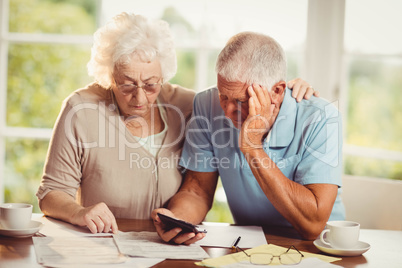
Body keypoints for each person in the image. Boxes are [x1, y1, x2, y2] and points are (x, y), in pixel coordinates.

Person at [36, 13, 316, 234]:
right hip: (103, 243)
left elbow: (243, 93)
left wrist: (286, 93)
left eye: (150, 84)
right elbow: (51, 193)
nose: (139, 97)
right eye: (126, 85)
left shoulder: (186, 105)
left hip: (163, 245)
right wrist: (78, 212)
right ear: (109, 76)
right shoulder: (81, 110)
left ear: (163, 75)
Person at [152, 31, 344, 243]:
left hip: (319, 246)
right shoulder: (207, 105)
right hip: (249, 242)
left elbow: (313, 225)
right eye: (223, 95)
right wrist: (178, 221)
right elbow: (197, 189)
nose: (226, 111)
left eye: (242, 101)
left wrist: (253, 147)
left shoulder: (321, 117)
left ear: (277, 91)